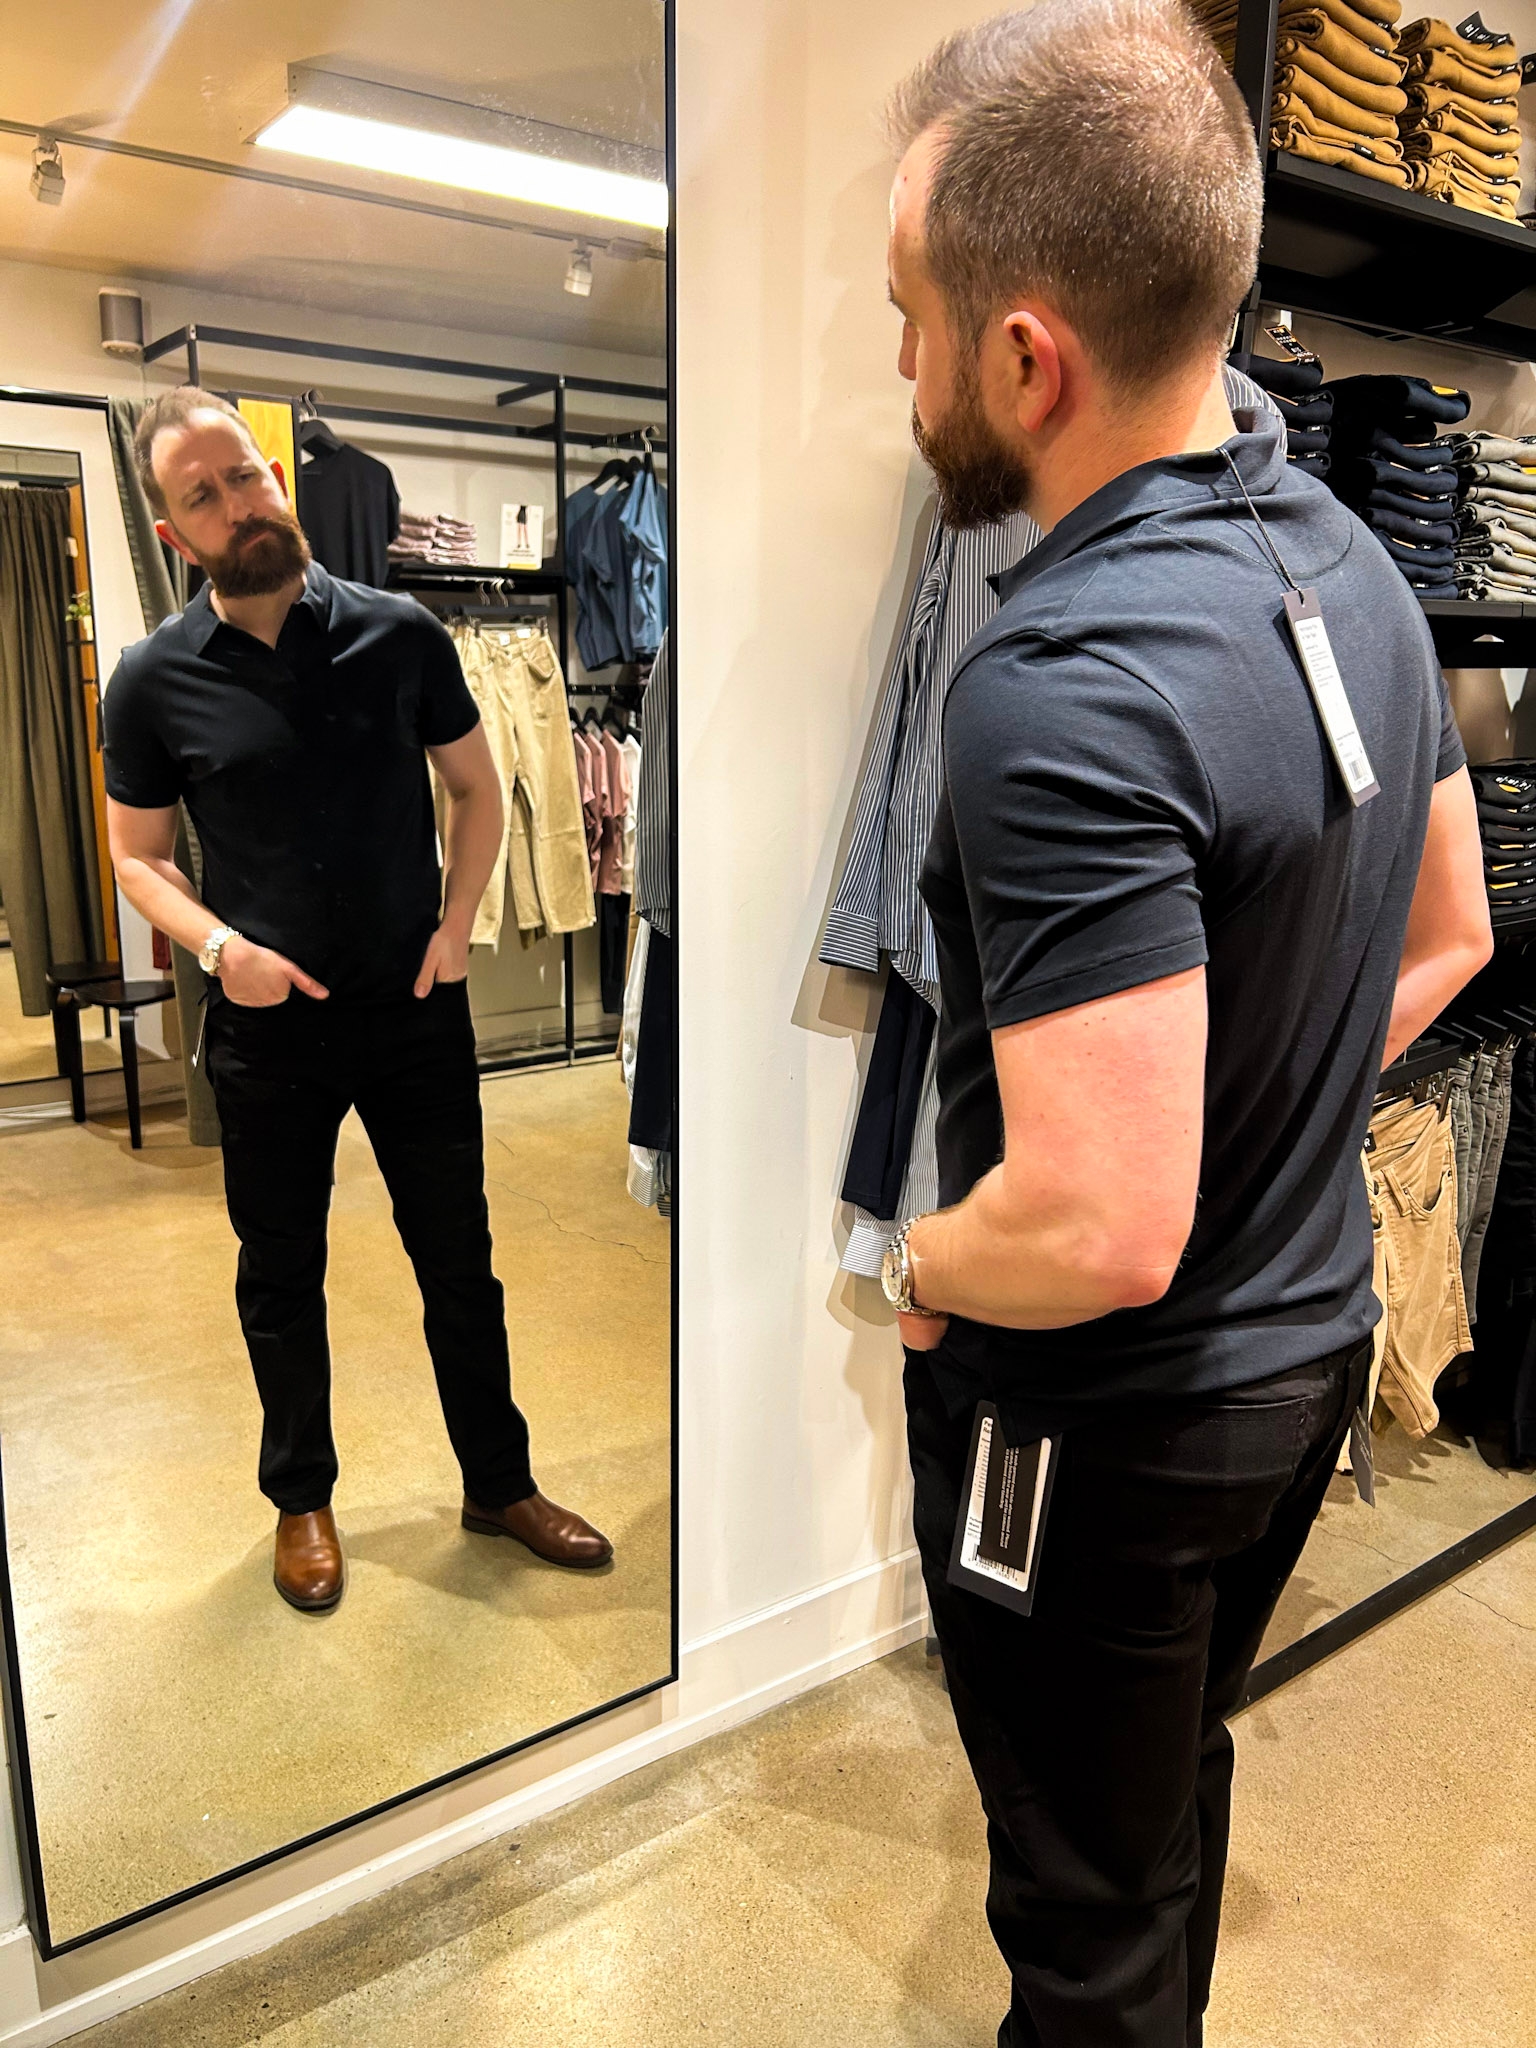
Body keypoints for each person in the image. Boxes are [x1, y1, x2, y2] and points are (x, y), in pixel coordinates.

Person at [875, 5, 1493, 2042]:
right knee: (1157, 1808)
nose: (902, 368)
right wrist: (1261, 1119)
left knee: (1083, 1923)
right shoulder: (1356, 571)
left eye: (910, 319)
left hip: (1107, 1424)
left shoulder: (1059, 681)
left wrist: (916, 1265)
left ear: (1025, 357)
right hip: (1304, 1360)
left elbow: (1099, 1229)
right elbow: (1454, 932)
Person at [103, 387, 612, 1614]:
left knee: (459, 1260)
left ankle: (499, 1481)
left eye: (245, 475)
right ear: (175, 534)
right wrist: (221, 948)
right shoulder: (153, 680)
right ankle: (302, 1500)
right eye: (203, 496)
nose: (237, 504)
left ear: (278, 477)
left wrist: (456, 926)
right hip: (267, 1028)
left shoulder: (401, 632)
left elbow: (476, 788)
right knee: (281, 1270)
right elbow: (137, 856)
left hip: (411, 1010)